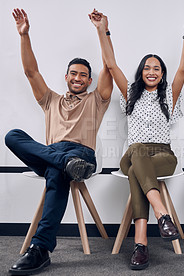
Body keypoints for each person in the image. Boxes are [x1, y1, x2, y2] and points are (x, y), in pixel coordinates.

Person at [5, 8, 113, 275]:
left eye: (83, 75)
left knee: (56, 173)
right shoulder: (51, 99)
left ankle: (39, 249)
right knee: (12, 136)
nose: (78, 78)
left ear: (89, 80)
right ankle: (66, 163)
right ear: (66, 77)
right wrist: (24, 35)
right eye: (73, 74)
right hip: (55, 154)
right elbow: (31, 72)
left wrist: (102, 31)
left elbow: (110, 67)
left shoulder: (96, 99)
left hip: (82, 153)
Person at [89, 9, 184, 270]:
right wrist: (102, 30)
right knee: (137, 154)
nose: (151, 71)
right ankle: (162, 215)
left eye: (156, 68)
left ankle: (141, 246)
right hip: (133, 155)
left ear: (162, 74)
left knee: (138, 175)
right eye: (147, 68)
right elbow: (111, 64)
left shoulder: (169, 96)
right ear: (141, 72)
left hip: (163, 155)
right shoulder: (130, 94)